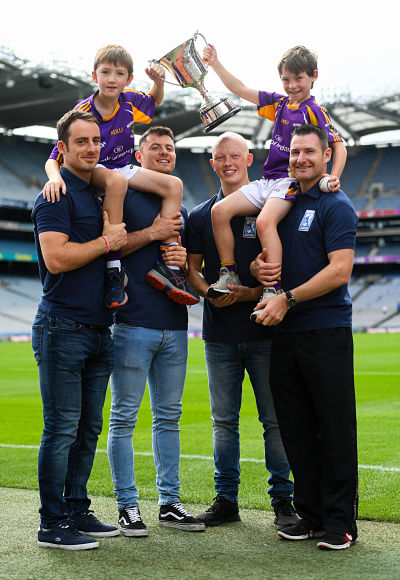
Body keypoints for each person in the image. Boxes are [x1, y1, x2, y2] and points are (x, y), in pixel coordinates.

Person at [253, 124, 358, 550]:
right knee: (295, 428)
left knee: (333, 428)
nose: (300, 159)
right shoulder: (284, 202)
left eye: (309, 152)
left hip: (326, 330)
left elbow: (340, 270)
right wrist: (263, 274)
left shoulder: (336, 203)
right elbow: (272, 263)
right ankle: (311, 515)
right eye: (295, 152)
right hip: (287, 332)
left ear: (325, 156)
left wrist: (288, 299)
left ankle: (340, 523)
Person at [186, 131, 297, 529]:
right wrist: (207, 294)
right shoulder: (200, 214)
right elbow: (193, 270)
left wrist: (253, 291)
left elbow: (286, 268)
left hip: (266, 334)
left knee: (274, 420)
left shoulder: (271, 205)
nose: (228, 162)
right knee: (224, 422)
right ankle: (226, 499)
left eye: (235, 155)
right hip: (218, 335)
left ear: (249, 158)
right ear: (212, 162)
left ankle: (283, 500)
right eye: (220, 157)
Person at [31, 109, 127, 550]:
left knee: (88, 428)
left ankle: (75, 508)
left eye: (95, 141)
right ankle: (52, 523)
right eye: (81, 142)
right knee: (62, 429)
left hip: (97, 329)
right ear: (63, 149)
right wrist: (108, 243)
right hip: (61, 326)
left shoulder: (97, 192)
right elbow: (57, 259)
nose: (91, 148)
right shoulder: (55, 195)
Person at [44, 44, 198, 309]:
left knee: (174, 185)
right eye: (105, 72)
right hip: (96, 169)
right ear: (95, 77)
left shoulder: (129, 100)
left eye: (119, 74)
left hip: (123, 166)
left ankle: (170, 265)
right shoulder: (84, 112)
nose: (112, 79)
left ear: (128, 79)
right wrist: (54, 178)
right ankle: (113, 270)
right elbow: (53, 156)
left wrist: (159, 83)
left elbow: (153, 101)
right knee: (116, 182)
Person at [107, 126, 205, 536]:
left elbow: (186, 265)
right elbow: (109, 246)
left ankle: (170, 503)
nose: (164, 153)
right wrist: (152, 233)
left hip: (174, 325)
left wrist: (181, 258)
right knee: (124, 418)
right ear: (139, 154)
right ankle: (128, 506)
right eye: (155, 147)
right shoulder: (122, 190)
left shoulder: (179, 204)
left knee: (169, 417)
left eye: (170, 148)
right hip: (132, 322)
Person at [202, 44, 347, 311]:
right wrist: (216, 65)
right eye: (286, 79)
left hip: (288, 181)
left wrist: (333, 176)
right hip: (267, 180)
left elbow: (339, 145)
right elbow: (240, 89)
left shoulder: (315, 111)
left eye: (298, 78)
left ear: (313, 76)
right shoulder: (278, 103)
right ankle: (228, 272)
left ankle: (272, 287)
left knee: (265, 223)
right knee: (219, 211)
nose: (292, 85)